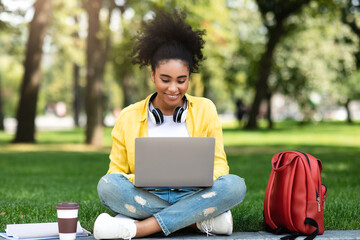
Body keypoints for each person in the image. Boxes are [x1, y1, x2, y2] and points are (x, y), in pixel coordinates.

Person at [93, 9, 246, 239]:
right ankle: (198, 222)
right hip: (148, 194)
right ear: (153, 75)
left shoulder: (206, 109)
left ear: (189, 78)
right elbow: (116, 173)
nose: (173, 89)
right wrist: (144, 179)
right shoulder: (128, 116)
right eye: (165, 80)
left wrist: (199, 181)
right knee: (107, 186)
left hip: (192, 192)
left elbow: (220, 166)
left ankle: (140, 227)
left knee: (235, 186)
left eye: (181, 80)